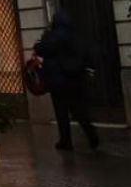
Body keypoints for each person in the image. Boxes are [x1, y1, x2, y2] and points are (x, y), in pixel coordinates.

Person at [33, 9, 101, 151]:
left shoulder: (52, 36)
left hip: (58, 79)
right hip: (77, 78)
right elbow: (90, 53)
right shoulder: (78, 36)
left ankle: (65, 141)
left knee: (61, 111)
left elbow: (40, 49)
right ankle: (91, 133)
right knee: (79, 109)